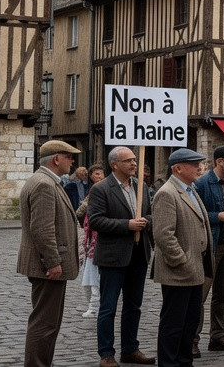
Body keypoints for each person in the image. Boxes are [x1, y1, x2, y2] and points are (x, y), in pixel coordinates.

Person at [18, 139, 82, 367]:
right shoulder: (44, 184)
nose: (72, 161)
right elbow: (42, 229)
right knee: (45, 322)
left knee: (48, 321)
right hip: (47, 267)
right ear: (56, 159)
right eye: (69, 157)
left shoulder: (46, 181)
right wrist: (53, 262)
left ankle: (43, 361)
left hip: (47, 265)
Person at [88, 148, 154, 367]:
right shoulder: (101, 189)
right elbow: (96, 220)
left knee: (134, 306)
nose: (134, 164)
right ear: (114, 164)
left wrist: (146, 222)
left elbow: (151, 214)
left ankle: (130, 349)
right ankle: (106, 353)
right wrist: (127, 225)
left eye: (135, 160)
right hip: (113, 256)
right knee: (108, 307)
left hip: (139, 254)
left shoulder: (142, 187)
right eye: (128, 161)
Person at [151, 147, 211, 367]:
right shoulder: (167, 193)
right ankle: (169, 363)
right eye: (194, 164)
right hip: (179, 271)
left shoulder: (190, 189)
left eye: (200, 163)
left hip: (196, 269)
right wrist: (182, 262)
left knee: (189, 322)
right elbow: (164, 235)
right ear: (178, 168)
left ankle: (184, 361)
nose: (200, 167)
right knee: (173, 323)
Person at [194, 145, 224, 355]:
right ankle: (192, 338)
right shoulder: (202, 183)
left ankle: (217, 335)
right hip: (209, 246)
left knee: (223, 295)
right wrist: (217, 217)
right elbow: (195, 213)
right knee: (200, 295)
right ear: (219, 161)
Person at [78, 163, 106, 319]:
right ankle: (92, 304)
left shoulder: (106, 191)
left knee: (96, 278)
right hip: (90, 242)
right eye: (96, 174)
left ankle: (95, 306)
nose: (99, 177)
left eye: (101, 174)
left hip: (99, 242)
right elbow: (80, 213)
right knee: (88, 276)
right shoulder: (92, 193)